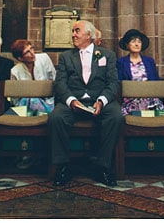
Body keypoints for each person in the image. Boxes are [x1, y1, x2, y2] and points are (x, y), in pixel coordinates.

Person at [49, 19, 123, 187]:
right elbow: (60, 83)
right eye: (73, 31)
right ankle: (62, 166)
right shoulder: (66, 57)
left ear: (89, 35)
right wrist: (71, 100)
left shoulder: (107, 55)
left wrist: (102, 101)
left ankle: (103, 166)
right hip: (74, 100)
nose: (73, 34)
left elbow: (113, 83)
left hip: (99, 99)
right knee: (56, 117)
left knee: (116, 116)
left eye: (77, 31)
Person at [115, 29, 164, 116]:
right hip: (131, 100)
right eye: (133, 41)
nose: (137, 44)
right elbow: (119, 83)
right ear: (127, 45)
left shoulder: (149, 61)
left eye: (139, 42)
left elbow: (156, 81)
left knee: (161, 115)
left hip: (150, 98)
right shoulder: (121, 62)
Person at [10, 39, 56, 114]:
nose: (32, 53)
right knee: (31, 100)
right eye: (27, 52)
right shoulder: (15, 71)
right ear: (20, 58)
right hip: (26, 104)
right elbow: (14, 97)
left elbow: (54, 79)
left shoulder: (44, 58)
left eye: (31, 48)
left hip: (48, 100)